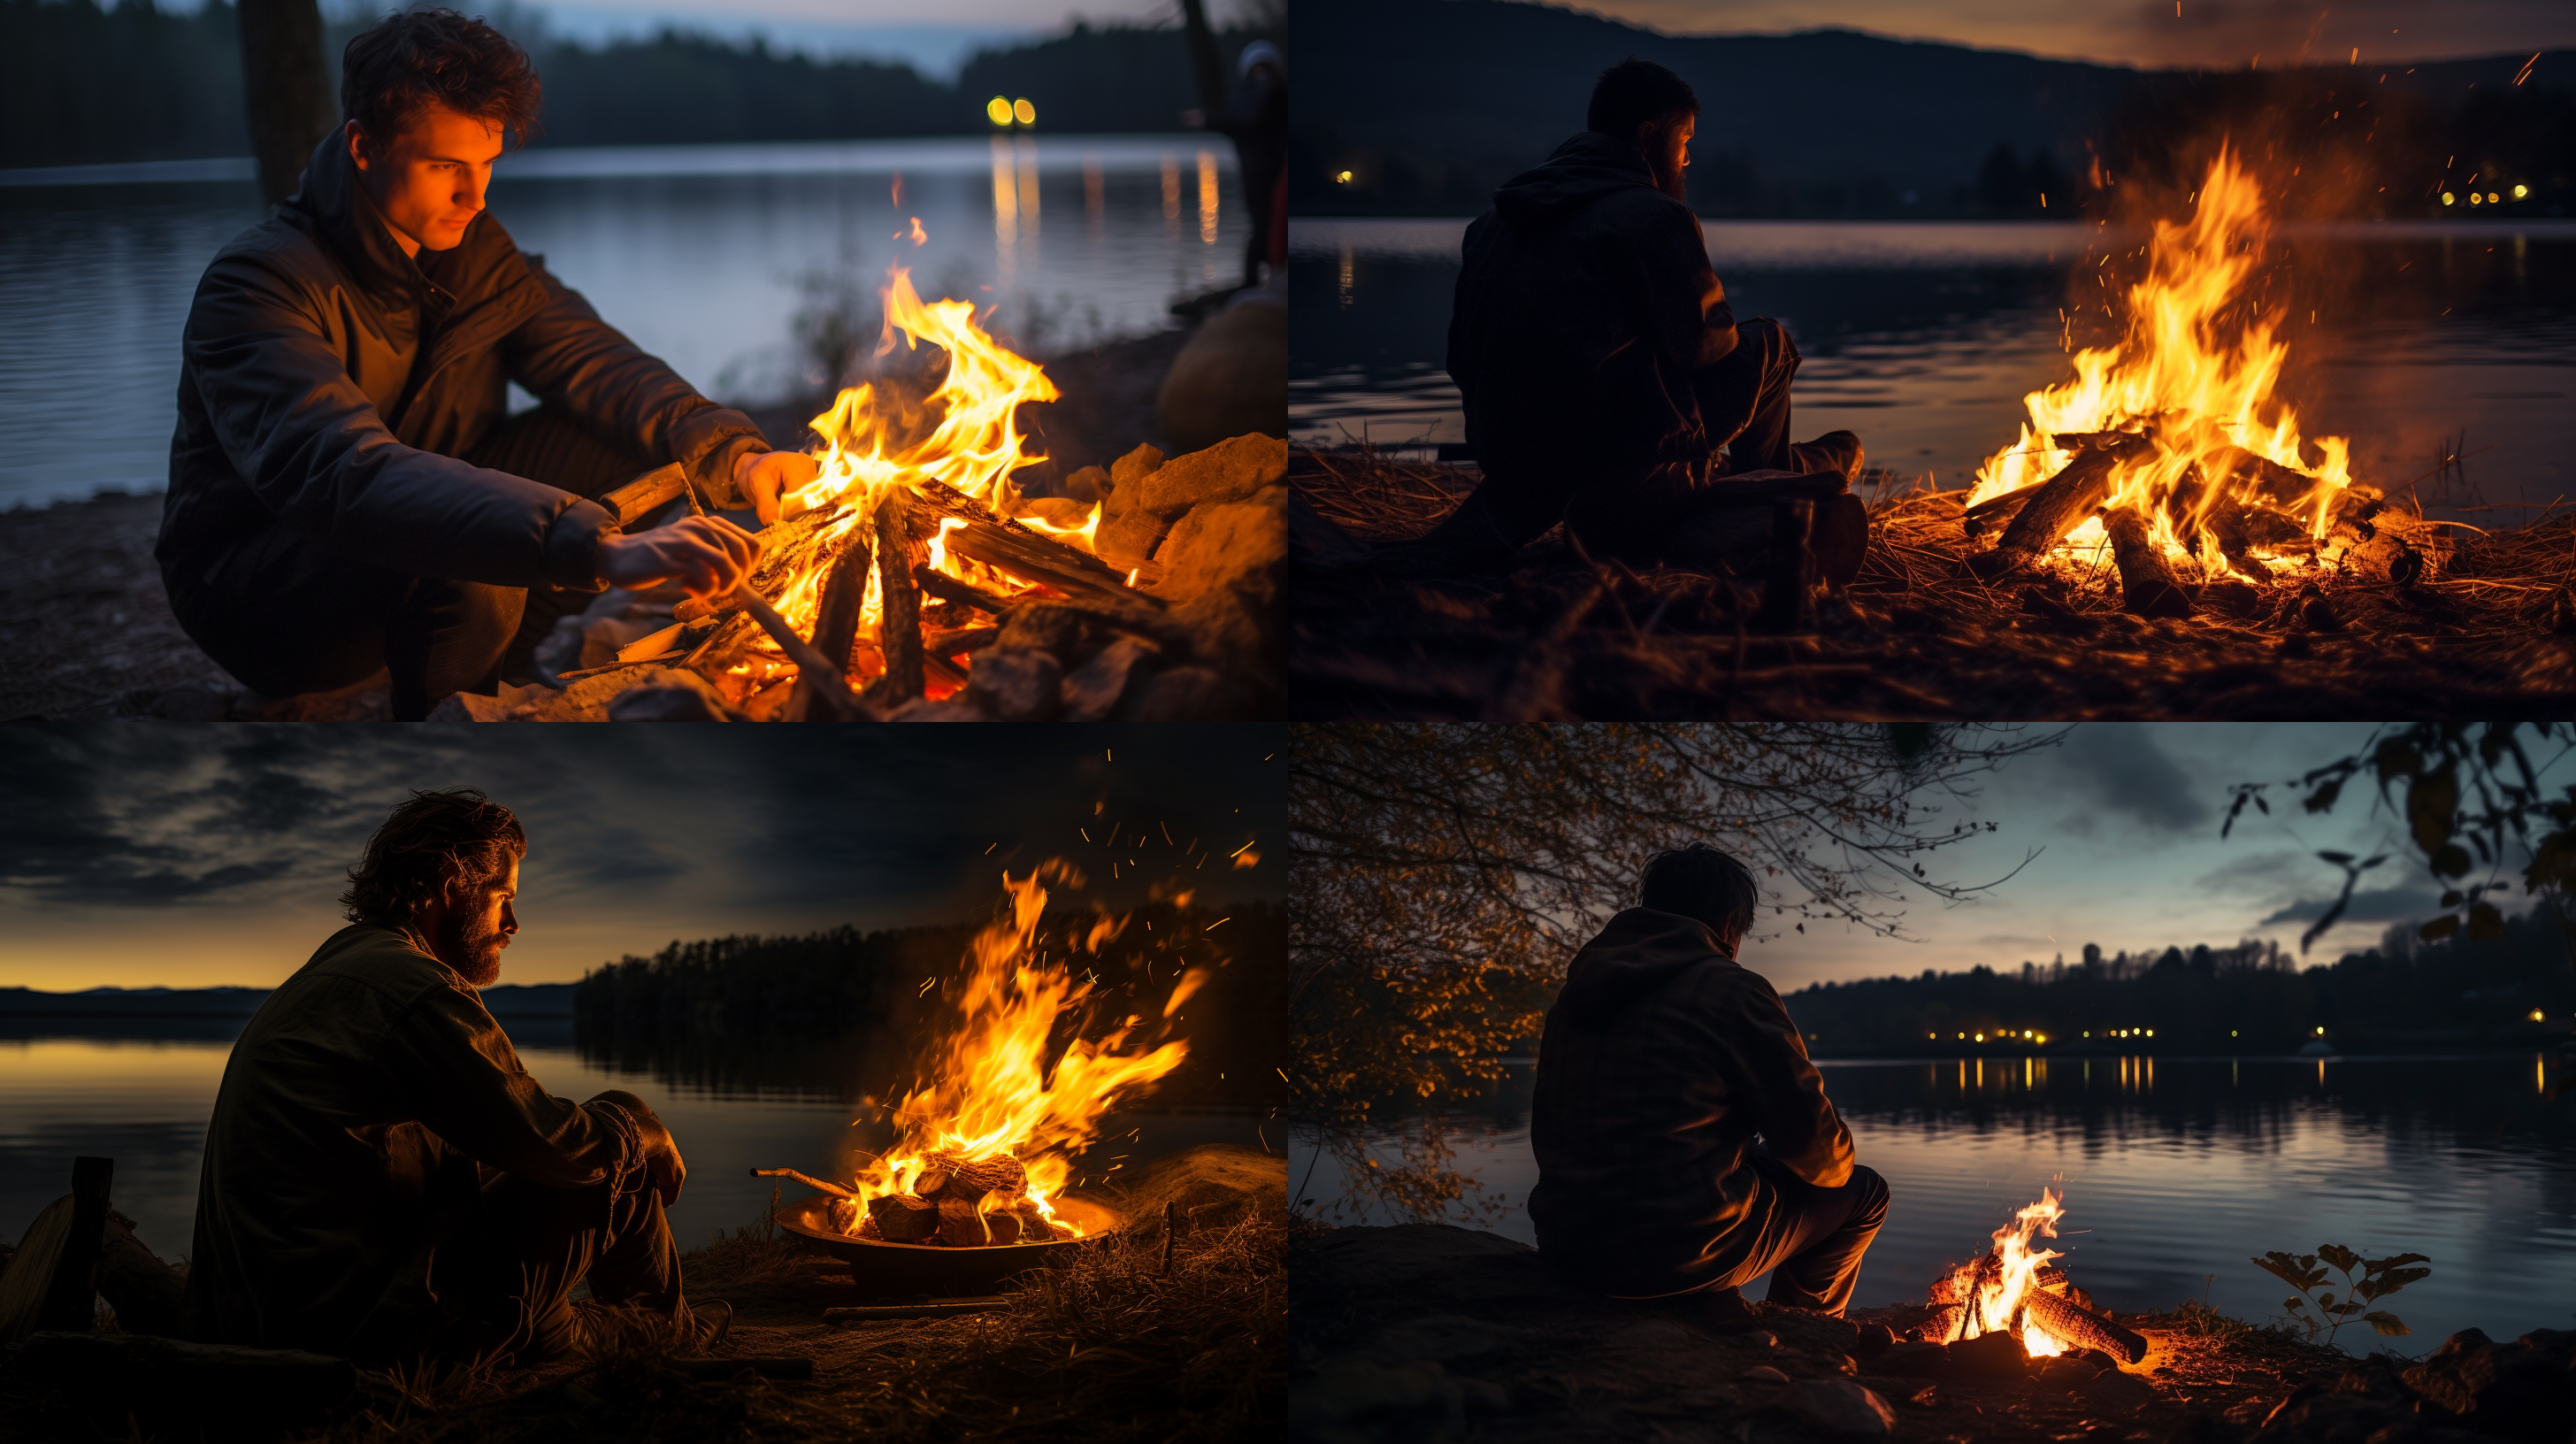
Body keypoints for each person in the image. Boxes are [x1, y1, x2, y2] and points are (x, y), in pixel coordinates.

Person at [159, 9, 821, 719]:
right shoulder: (259, 286)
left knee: (629, 442)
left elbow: (595, 363)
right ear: (362, 146)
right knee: (471, 554)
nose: (474, 199)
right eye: (445, 167)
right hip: (263, 595)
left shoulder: (469, 252)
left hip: (412, 526)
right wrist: (595, 546)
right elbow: (341, 476)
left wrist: (735, 454)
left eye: (486, 166)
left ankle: (494, 671)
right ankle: (450, 740)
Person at [185, 789, 721, 1364]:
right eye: (502, 898)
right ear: (450, 885)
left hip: (273, 1319)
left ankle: (575, 1344)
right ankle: (670, 1350)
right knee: (617, 1147)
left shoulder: (336, 973)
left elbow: (485, 1151)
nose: (513, 923)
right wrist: (637, 1131)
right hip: (362, 1343)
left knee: (578, 1145)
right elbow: (547, 1141)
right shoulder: (415, 990)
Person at [1428, 58, 1865, 565]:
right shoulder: (1653, 216)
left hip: (1510, 457)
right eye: (1684, 144)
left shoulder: (1490, 224)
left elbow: (1461, 358)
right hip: (1613, 466)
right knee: (1769, 341)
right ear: (1648, 135)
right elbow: (1706, 346)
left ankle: (1789, 468)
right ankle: (1775, 487)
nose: (1685, 161)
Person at [1528, 842, 1888, 1315]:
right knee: (1863, 1193)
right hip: (1675, 1257)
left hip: (1567, 1246)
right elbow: (1815, 1151)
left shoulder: (1576, 996)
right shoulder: (1733, 992)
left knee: (1757, 1160)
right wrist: (1824, 1161)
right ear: (1728, 927)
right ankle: (1807, 1331)